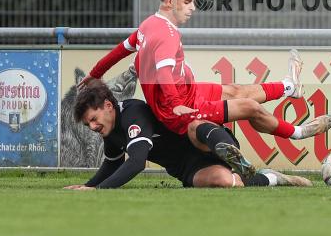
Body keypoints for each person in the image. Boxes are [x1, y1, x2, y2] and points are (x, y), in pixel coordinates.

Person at [83, 0, 331, 178]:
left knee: (234, 90)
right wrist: (176, 104)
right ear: (170, 1)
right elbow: (163, 74)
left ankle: (289, 86)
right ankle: (299, 133)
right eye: (188, 2)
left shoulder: (149, 25)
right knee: (248, 107)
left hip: (188, 93)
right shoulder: (168, 35)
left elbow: (120, 50)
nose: (193, 8)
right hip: (181, 108)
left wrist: (94, 74)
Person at [64, 79, 311, 190]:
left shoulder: (133, 113)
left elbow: (137, 162)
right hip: (187, 168)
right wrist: (88, 185)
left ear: (108, 106)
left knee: (194, 126)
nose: (93, 127)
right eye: (89, 125)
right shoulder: (110, 132)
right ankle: (273, 179)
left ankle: (228, 152)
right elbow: (111, 164)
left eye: (93, 120)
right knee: (225, 182)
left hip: (204, 141)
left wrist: (99, 190)